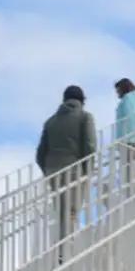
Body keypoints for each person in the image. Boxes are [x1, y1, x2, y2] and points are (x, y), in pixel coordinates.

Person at [37, 85, 98, 252]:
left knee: (61, 211)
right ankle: (65, 248)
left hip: (53, 170)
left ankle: (61, 246)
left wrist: (48, 171)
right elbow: (90, 146)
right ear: (82, 100)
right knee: (71, 210)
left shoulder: (50, 122)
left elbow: (40, 153)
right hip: (74, 169)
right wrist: (88, 170)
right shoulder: (85, 117)